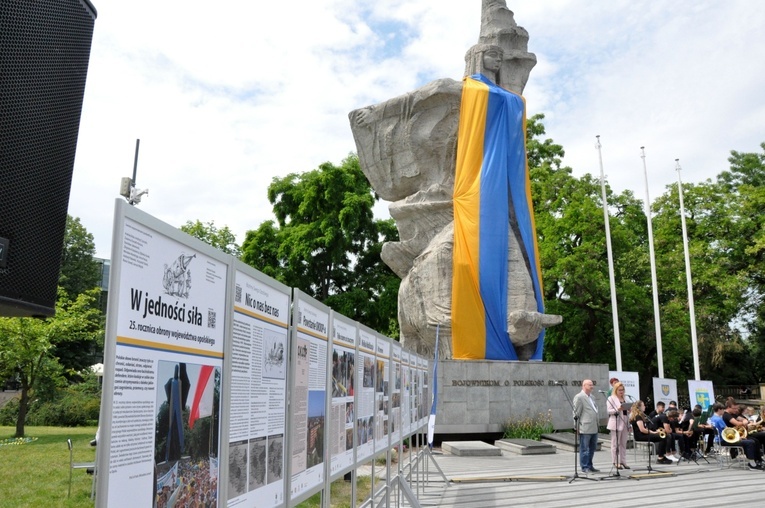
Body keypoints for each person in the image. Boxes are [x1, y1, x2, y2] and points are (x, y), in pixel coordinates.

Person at [709, 402, 763, 470]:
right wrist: (739, 437)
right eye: (723, 409)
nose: (723, 411)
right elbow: (727, 430)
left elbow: (712, 427)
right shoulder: (719, 419)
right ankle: (752, 464)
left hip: (718, 440)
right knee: (750, 442)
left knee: (750, 441)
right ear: (719, 409)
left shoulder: (713, 418)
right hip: (724, 440)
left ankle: (755, 461)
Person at [573, 379, 600, 473]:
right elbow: (576, 413)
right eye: (589, 385)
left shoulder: (592, 397)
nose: (592, 386)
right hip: (585, 427)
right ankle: (584, 466)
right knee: (584, 449)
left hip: (594, 426)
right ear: (584, 386)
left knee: (592, 448)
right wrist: (576, 427)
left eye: (592, 385)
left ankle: (590, 465)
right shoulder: (579, 397)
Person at [607, 382, 630, 469]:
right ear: (615, 390)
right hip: (616, 422)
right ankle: (615, 462)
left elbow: (626, 411)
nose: (621, 392)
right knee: (615, 444)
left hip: (625, 421)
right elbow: (609, 411)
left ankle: (623, 461)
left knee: (623, 443)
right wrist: (618, 409)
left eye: (623, 390)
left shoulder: (625, 398)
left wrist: (629, 410)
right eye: (619, 390)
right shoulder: (611, 398)